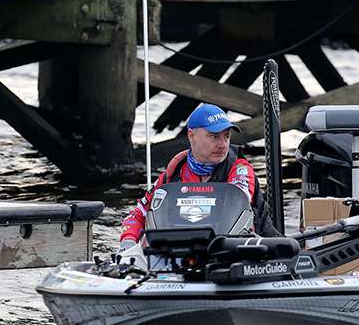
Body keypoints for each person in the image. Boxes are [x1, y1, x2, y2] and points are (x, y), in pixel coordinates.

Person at [120, 103, 279, 245]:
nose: (222, 145)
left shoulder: (240, 169)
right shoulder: (173, 174)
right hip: (183, 253)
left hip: (243, 251)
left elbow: (239, 198)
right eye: (214, 136)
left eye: (227, 136)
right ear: (191, 136)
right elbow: (138, 214)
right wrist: (128, 241)